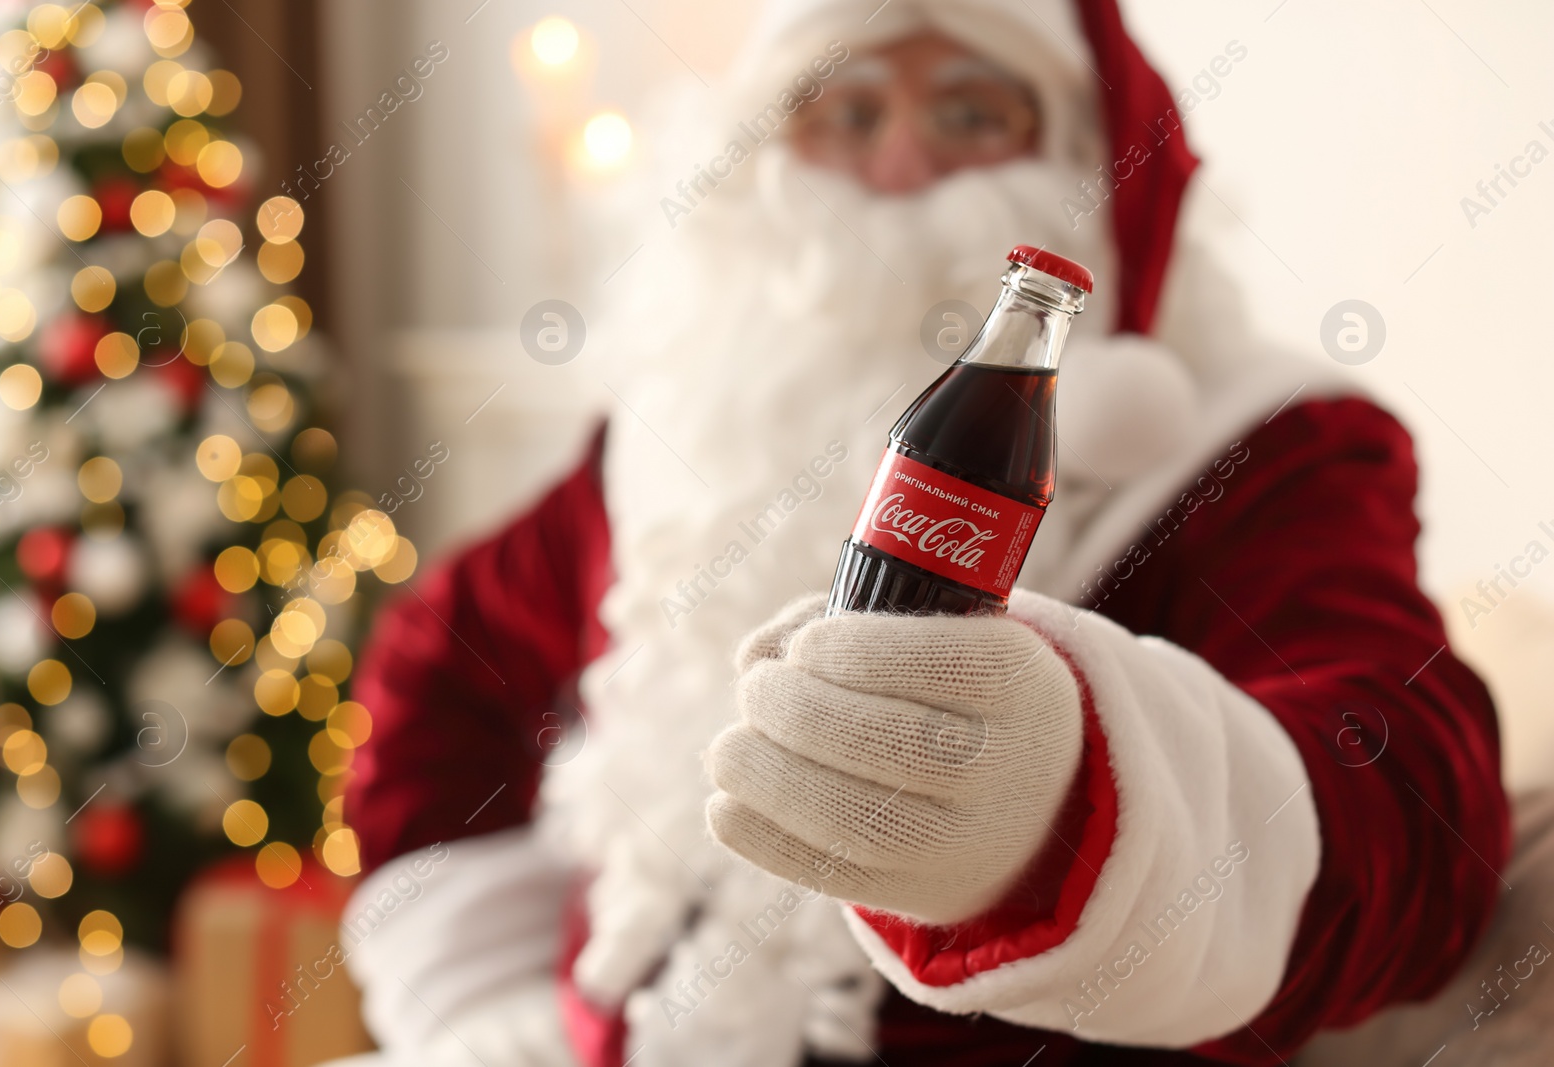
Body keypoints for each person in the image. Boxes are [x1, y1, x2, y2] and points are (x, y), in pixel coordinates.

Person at [334, 1, 1513, 1064]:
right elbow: (437, 676)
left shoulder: (1267, 446)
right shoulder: (682, 432)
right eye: (846, 110)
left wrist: (1060, 802)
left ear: (1091, 160)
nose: (898, 167)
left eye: (968, 111)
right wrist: (480, 994)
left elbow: (1406, 806)